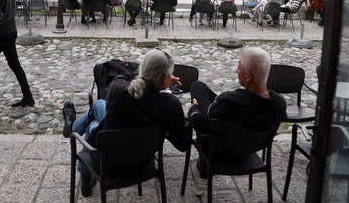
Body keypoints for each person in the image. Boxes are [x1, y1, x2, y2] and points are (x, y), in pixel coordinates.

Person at [62, 49, 191, 197]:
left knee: (93, 125)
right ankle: (71, 129)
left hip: (107, 163)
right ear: (164, 78)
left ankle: (72, 132)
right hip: (141, 162)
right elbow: (183, 144)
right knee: (98, 106)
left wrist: (149, 75)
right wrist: (185, 117)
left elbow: (124, 76)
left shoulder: (117, 90)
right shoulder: (170, 104)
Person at [187, 47, 287, 178]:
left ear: (248, 76)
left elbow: (198, 123)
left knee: (197, 88)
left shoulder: (227, 105)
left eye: (239, 68)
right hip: (251, 147)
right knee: (199, 87)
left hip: (221, 149)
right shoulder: (279, 105)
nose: (236, 70)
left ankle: (206, 165)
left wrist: (193, 109)